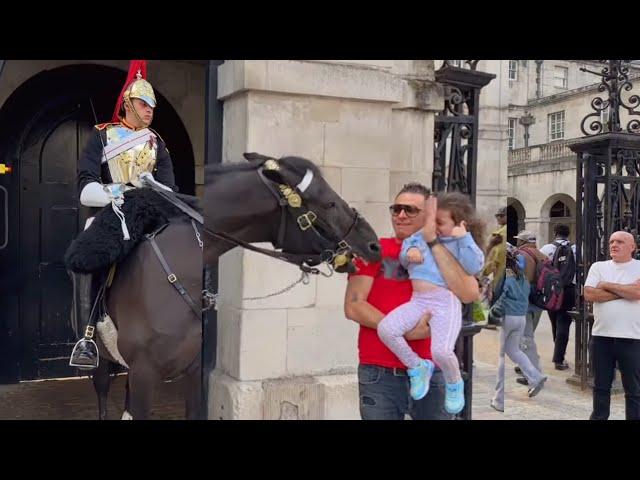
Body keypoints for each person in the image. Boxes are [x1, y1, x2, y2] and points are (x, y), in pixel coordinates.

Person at [69, 60, 177, 369]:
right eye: (143, 103)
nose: (149, 110)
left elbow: (170, 188)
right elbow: (85, 187)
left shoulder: (157, 142)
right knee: (88, 256)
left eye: (152, 105)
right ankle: (87, 335)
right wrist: (121, 192)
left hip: (149, 212)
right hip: (111, 210)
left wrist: (153, 190)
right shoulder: (103, 136)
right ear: (128, 103)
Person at [344, 183, 480, 420]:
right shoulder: (373, 249)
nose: (401, 215)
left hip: (435, 367)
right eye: (396, 209)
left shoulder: (449, 247)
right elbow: (354, 304)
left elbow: (469, 294)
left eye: (410, 210)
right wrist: (405, 331)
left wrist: (433, 243)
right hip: (379, 370)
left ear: (429, 214)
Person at [376, 192, 485, 414]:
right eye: (431, 220)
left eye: (440, 222)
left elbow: (474, 266)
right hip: (419, 301)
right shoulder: (416, 238)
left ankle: (454, 382)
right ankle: (417, 366)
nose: (433, 227)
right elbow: (405, 257)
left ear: (458, 224)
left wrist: (463, 237)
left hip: (444, 302)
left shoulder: (456, 242)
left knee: (442, 352)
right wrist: (411, 253)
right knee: (386, 329)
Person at [584, 230, 640, 420]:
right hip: (602, 337)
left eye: (620, 242)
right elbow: (590, 295)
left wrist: (606, 285)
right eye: (611, 242)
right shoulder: (598, 266)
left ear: (632, 247)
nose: (614, 245)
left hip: (633, 338)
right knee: (600, 387)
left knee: (634, 390)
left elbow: (638, 293)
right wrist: (627, 290)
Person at [490, 249, 547, 411]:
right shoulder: (523, 278)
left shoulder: (506, 278)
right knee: (515, 351)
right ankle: (536, 376)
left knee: (502, 355)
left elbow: (499, 295)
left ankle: (499, 398)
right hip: (521, 317)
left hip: (508, 316)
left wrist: (493, 312)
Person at [539, 224, 576, 370]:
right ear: (569, 233)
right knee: (564, 323)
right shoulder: (576, 248)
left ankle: (559, 352)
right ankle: (559, 358)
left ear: (555, 233)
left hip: (552, 290)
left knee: (554, 322)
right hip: (569, 290)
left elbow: (540, 268)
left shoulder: (547, 248)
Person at [513, 230, 547, 385]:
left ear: (522, 241)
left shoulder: (520, 255)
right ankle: (527, 368)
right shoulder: (542, 255)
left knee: (526, 339)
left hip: (524, 302)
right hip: (539, 301)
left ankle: (534, 375)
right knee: (528, 337)